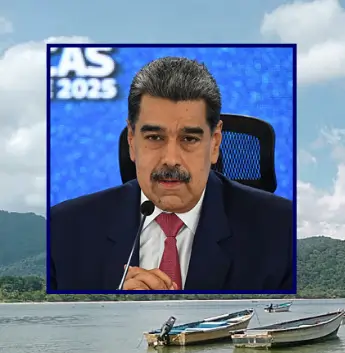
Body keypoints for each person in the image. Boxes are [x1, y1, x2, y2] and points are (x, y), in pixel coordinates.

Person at [48, 56, 294, 292]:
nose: (171, 159)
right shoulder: (65, 229)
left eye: (189, 139)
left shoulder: (282, 230)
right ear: (132, 141)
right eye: (155, 138)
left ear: (215, 143)